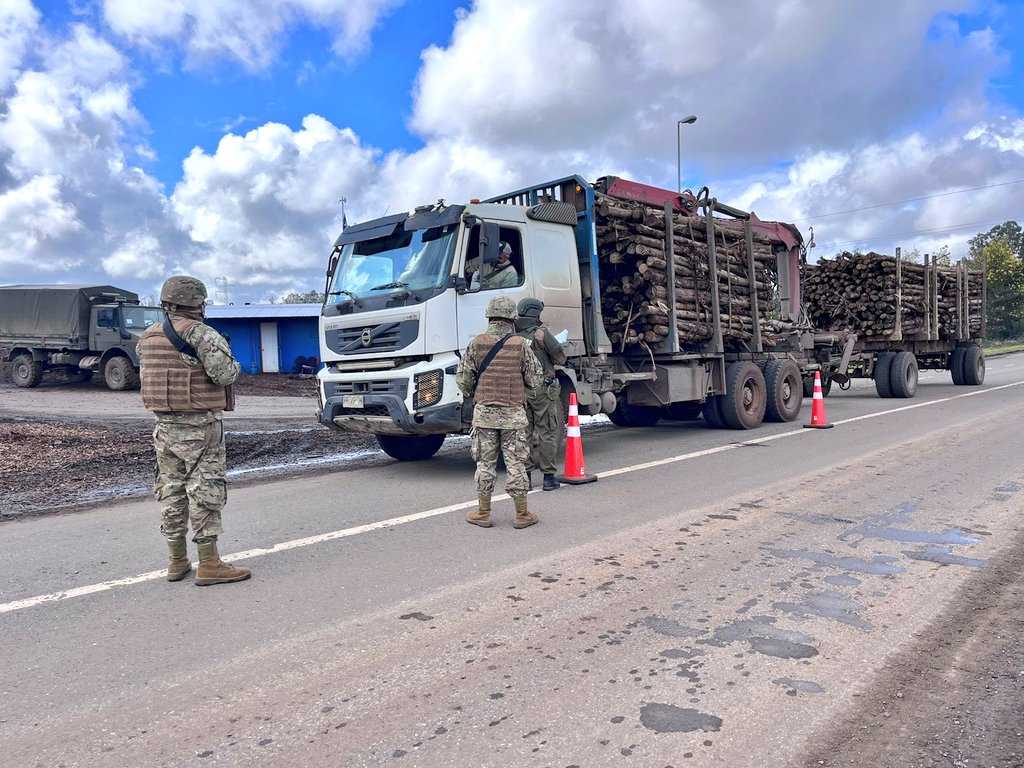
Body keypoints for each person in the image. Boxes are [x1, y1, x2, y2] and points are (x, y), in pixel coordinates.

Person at [138, 276, 251, 586]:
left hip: (163, 428)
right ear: (197, 303)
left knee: (171, 491)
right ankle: (210, 564)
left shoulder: (148, 336)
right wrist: (235, 364)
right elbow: (224, 374)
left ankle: (176, 561)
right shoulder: (202, 334)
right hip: (199, 428)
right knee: (205, 490)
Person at [456, 295, 544, 528]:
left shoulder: (476, 343)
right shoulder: (521, 345)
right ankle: (522, 515)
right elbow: (535, 380)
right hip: (513, 416)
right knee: (516, 464)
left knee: (485, 464)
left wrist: (476, 390)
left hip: (484, 415)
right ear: (512, 318)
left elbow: (463, 381)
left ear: (489, 316)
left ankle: (483, 513)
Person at [516, 298, 567, 491]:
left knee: (524, 434)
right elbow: (560, 357)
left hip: (521, 391)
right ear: (536, 313)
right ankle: (548, 478)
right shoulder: (541, 333)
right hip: (543, 390)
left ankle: (526, 478)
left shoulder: (512, 336)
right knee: (548, 432)